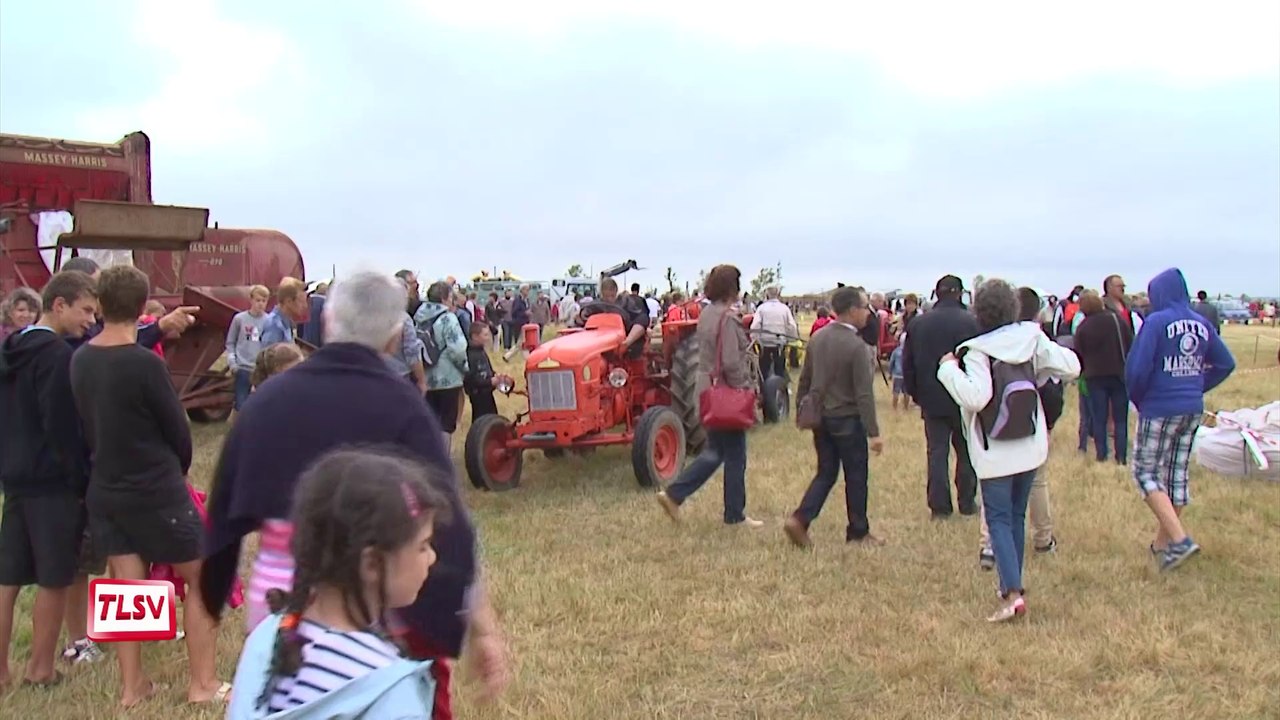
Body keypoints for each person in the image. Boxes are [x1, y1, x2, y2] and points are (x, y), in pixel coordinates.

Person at [202, 272, 509, 718]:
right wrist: (478, 628)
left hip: (281, 616)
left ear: (327, 321)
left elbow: (222, 517)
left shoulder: (267, 402)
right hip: (381, 616)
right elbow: (450, 525)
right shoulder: (404, 408)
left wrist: (211, 593)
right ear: (395, 335)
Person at [69, 266, 227, 706]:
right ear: (142, 306)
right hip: (155, 487)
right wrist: (178, 468)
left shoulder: (81, 359)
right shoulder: (145, 363)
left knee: (127, 585)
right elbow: (177, 429)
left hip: (106, 486)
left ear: (100, 303)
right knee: (203, 578)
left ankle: (132, 686)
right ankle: (202, 684)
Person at [227, 449, 446, 719]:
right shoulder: (391, 695)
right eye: (423, 546)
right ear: (372, 564)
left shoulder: (269, 638)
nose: (432, 557)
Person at [937, 279, 1080, 623]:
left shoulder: (977, 351)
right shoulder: (1031, 339)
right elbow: (1071, 366)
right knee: (1015, 516)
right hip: (1029, 443)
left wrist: (947, 369)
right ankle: (1010, 584)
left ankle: (1012, 593)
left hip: (994, 450)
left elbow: (975, 397)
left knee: (999, 518)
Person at [0, 271, 98, 688]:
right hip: (52, 482)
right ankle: (40, 668)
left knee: (8, 579)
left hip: (14, 477)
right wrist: (79, 479)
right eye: (86, 310)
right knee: (55, 576)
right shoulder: (57, 355)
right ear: (59, 305)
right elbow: (61, 425)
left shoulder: (9, 349)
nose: (90, 321)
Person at [1125, 268, 1235, 571]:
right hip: (1192, 407)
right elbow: (1226, 363)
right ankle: (1163, 546)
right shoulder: (1202, 323)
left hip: (1159, 406)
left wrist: (1139, 397)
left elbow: (1137, 369)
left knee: (1145, 473)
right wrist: (1197, 386)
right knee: (1176, 474)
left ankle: (1180, 540)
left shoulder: (1156, 322)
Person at [656, 265, 763, 528]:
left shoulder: (706, 315)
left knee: (715, 451)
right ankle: (733, 514)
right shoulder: (728, 319)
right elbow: (731, 362)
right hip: (727, 392)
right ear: (732, 288)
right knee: (734, 455)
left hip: (706, 389)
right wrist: (745, 390)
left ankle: (676, 495)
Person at [783, 286, 885, 548]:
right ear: (852, 310)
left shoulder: (818, 338)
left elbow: (805, 379)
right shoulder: (857, 346)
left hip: (822, 418)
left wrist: (801, 410)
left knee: (826, 473)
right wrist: (873, 432)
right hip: (848, 419)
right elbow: (864, 394)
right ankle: (858, 532)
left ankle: (800, 518)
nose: (868, 313)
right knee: (856, 476)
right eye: (864, 307)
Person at [977, 287, 1062, 569]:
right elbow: (1057, 386)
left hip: (993, 426)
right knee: (1035, 484)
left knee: (994, 490)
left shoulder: (984, 346)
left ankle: (990, 545)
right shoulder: (1036, 344)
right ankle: (1043, 538)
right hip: (1031, 425)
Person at [903, 275, 981, 518]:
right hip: (964, 396)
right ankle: (967, 502)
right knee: (966, 452)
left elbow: (908, 364)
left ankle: (939, 506)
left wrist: (916, 394)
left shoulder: (919, 323)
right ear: (959, 293)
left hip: (931, 397)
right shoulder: (973, 323)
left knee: (936, 453)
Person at [58, 256, 199, 349]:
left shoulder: (91, 326)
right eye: (95, 288)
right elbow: (116, 347)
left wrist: (161, 325)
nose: (100, 294)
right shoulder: (72, 338)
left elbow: (120, 341)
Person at [1074, 289, 1134, 464]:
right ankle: (1121, 457)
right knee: (1120, 419)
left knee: (1099, 418)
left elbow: (1079, 353)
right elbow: (1130, 343)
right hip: (1118, 374)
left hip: (1094, 377)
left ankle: (1101, 455)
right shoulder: (1117, 320)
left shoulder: (1083, 327)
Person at [415, 282, 470, 451]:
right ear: (445, 298)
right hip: (448, 378)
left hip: (426, 377)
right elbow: (458, 349)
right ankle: (443, 458)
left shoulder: (419, 317)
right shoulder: (448, 318)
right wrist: (465, 368)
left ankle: (429, 455)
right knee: (446, 423)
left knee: (430, 422)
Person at [575, 278, 650, 357]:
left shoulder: (625, 301)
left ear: (616, 291)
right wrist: (580, 316)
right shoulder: (595, 305)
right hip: (599, 333)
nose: (609, 299)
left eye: (612, 295)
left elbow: (638, 314)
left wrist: (628, 339)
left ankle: (627, 343)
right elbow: (584, 316)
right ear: (602, 293)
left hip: (624, 331)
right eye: (606, 296)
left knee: (642, 318)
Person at [226, 284, 271, 414]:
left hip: (260, 369)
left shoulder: (269, 321)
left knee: (261, 404)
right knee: (241, 404)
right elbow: (230, 342)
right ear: (251, 300)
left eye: (264, 301)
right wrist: (233, 363)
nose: (260, 304)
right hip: (243, 368)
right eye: (258, 300)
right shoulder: (239, 319)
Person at [750, 286, 799, 381]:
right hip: (780, 344)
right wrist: (790, 340)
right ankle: (779, 387)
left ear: (767, 295)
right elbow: (792, 326)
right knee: (779, 370)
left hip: (765, 345)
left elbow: (755, 326)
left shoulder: (761, 308)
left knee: (764, 370)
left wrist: (755, 339)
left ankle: (763, 387)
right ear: (778, 295)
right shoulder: (784, 308)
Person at [464, 324, 509, 422]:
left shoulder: (481, 351)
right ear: (475, 336)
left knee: (492, 420)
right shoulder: (471, 355)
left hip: (487, 393)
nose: (488, 338)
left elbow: (487, 369)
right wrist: (490, 381)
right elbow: (471, 379)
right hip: (478, 395)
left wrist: (495, 376)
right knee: (482, 422)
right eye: (485, 335)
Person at [260, 277, 309, 348]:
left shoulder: (285, 322)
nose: (305, 306)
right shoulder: (274, 325)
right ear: (288, 302)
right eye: (301, 301)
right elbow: (269, 354)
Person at [889, 339, 906, 410]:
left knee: (896, 391)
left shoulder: (896, 351)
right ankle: (906, 408)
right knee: (906, 392)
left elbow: (891, 363)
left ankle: (894, 408)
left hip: (897, 374)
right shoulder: (909, 352)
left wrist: (890, 373)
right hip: (906, 374)